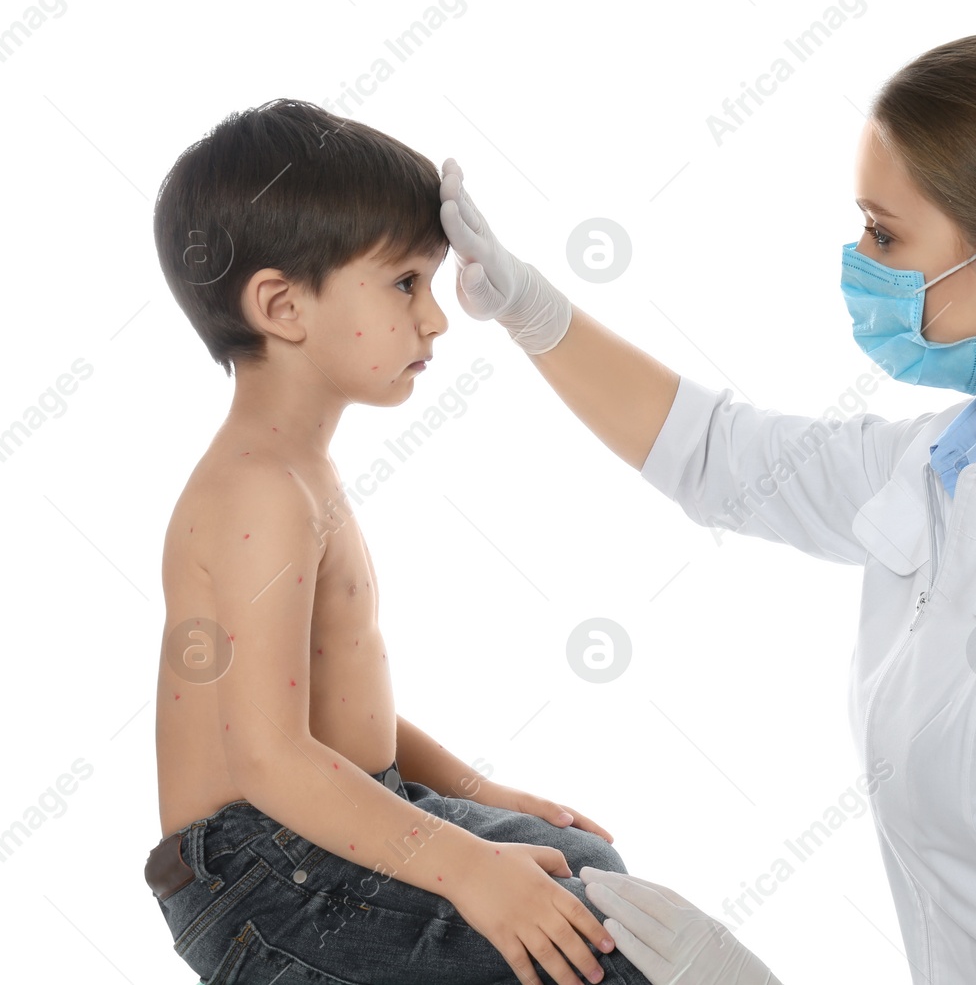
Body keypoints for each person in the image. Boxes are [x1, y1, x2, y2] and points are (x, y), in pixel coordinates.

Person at [441, 30, 976, 985]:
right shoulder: (953, 458)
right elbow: (719, 454)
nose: (859, 260)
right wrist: (531, 309)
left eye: (885, 234)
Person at [143, 99, 652, 985]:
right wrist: (465, 862)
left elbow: (324, 705)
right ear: (282, 304)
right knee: (597, 958)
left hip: (333, 813)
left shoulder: (298, 469)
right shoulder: (257, 493)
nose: (437, 317)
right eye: (406, 282)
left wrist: (475, 795)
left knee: (584, 868)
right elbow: (269, 754)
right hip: (266, 881)